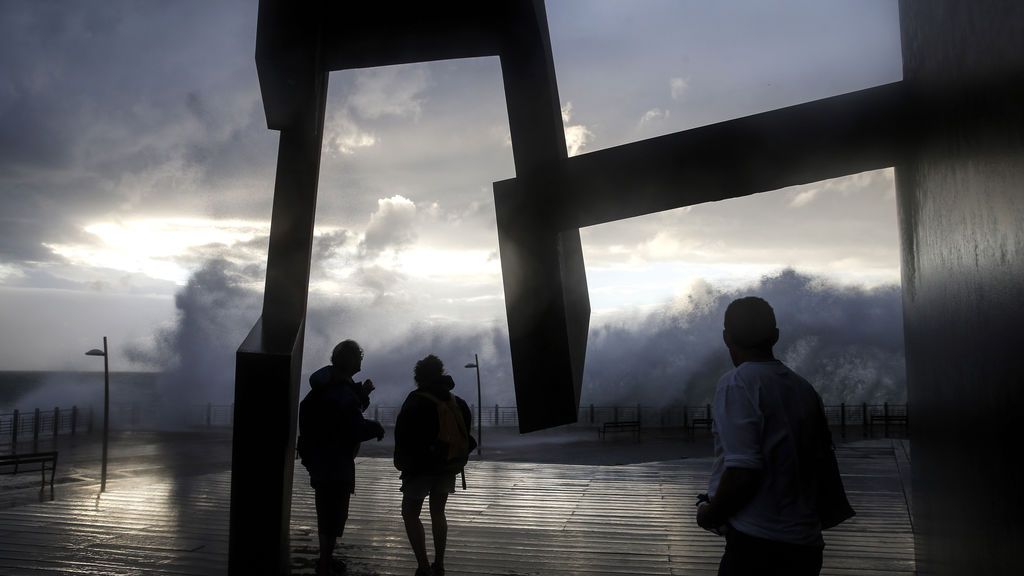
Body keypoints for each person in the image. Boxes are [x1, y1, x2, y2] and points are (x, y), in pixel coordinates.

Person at [696, 297, 834, 576]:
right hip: (806, 544)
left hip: (757, 547)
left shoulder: (736, 383)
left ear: (726, 338)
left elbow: (744, 468)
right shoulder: (803, 387)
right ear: (775, 336)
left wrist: (709, 515)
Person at [298, 340, 386, 576]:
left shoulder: (326, 386)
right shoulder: (341, 391)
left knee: (325, 511)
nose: (361, 361)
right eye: (358, 356)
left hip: (319, 459)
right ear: (349, 361)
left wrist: (363, 394)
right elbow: (352, 426)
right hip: (336, 462)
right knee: (334, 514)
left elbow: (342, 415)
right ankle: (325, 564)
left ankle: (325, 559)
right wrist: (376, 427)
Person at [393, 354, 475, 576]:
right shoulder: (456, 402)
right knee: (438, 512)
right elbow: (465, 434)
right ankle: (439, 564)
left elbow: (403, 435)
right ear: (440, 373)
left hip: (420, 469)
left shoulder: (415, 400)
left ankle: (423, 566)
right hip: (448, 466)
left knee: (410, 513)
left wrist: (402, 462)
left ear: (418, 377)